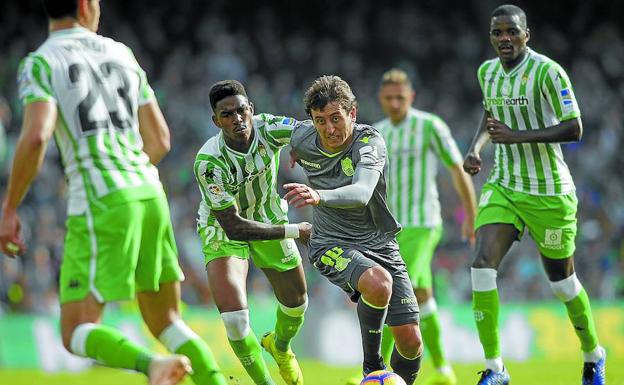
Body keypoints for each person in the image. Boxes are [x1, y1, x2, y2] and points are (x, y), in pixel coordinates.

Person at [0, 1, 227, 384]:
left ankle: (150, 365)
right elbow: (160, 139)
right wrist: (128, 172)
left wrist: (9, 207)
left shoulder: (39, 63)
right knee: (168, 322)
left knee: (75, 331)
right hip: (150, 193)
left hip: (101, 199)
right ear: (86, 5)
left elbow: (37, 134)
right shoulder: (121, 53)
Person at [463, 5, 606, 385]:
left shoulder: (547, 71)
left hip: (550, 193)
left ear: (527, 35)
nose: (504, 39)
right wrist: (476, 147)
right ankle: (496, 369)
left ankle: (593, 354)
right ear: (491, 37)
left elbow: (574, 128)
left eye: (512, 31)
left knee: (561, 282)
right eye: (498, 33)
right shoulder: (487, 72)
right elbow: (490, 117)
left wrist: (516, 137)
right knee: (481, 266)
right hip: (505, 186)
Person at [284, 75, 423, 385]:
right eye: (320, 121)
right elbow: (256, 123)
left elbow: (361, 192)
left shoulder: (370, 141)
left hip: (380, 244)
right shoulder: (302, 137)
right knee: (377, 282)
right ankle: (372, 370)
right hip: (329, 243)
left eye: (336, 118)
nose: (329, 128)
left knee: (411, 341)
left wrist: (319, 195)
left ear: (353, 113)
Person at [193, 80, 310, 385]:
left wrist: (302, 146)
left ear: (251, 109)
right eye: (227, 114)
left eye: (241, 110)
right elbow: (234, 226)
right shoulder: (209, 162)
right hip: (223, 227)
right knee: (234, 319)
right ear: (216, 121)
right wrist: (294, 230)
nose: (237, 119)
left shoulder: (269, 128)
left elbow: (310, 131)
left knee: (297, 303)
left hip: (266, 213)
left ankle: (280, 346)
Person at [373, 68, 477, 385]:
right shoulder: (376, 133)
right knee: (422, 295)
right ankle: (444, 370)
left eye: (400, 98)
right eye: (389, 98)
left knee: (389, 288)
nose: (394, 104)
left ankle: (376, 369)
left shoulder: (430, 126)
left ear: (411, 97)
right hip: (389, 228)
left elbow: (457, 170)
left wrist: (470, 215)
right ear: (380, 98)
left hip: (422, 223)